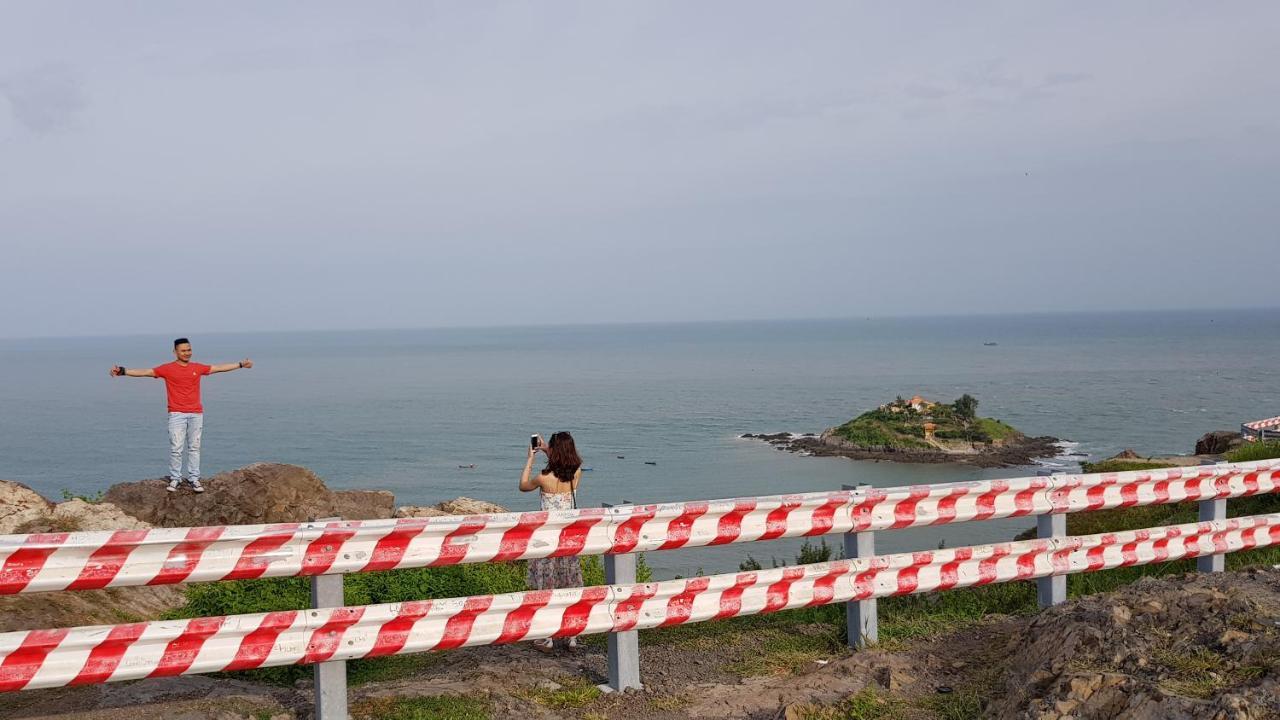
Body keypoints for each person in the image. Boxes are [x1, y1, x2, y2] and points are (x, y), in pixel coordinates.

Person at [110, 338, 253, 493]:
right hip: (176, 414)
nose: (187, 353)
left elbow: (218, 368)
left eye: (189, 350)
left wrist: (240, 364)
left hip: (196, 413)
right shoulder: (167, 369)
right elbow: (146, 372)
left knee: (194, 447)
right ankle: (175, 479)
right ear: (175, 352)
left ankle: (194, 479)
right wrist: (123, 371)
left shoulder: (197, 368)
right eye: (183, 350)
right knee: (176, 448)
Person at [520, 431, 583, 651]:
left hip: (546, 540)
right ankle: (571, 636)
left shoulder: (543, 479)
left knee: (546, 588)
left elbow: (523, 485)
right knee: (569, 585)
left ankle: (546, 637)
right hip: (568, 538)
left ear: (554, 452)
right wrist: (548, 448)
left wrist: (531, 457)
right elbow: (564, 463)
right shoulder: (576, 473)